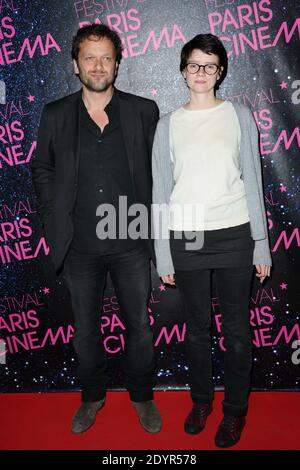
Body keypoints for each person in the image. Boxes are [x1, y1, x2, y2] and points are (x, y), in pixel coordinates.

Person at [31, 24, 161, 434]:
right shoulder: (55, 114)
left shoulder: (144, 110)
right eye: (89, 57)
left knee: (138, 325)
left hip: (132, 241)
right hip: (79, 244)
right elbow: (42, 167)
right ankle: (92, 396)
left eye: (106, 57)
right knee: (86, 329)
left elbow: (161, 171)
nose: (98, 65)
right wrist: (54, 214)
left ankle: (142, 396)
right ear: (75, 65)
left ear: (118, 63)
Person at [152, 33, 272, 447]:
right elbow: (160, 193)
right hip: (186, 236)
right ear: (183, 71)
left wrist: (261, 244)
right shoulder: (167, 125)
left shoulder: (240, 115)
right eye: (193, 65)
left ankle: (235, 411)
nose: (201, 73)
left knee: (238, 332)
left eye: (209, 65)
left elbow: (253, 183)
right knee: (197, 330)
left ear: (220, 71)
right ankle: (201, 401)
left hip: (236, 233)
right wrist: (163, 254)